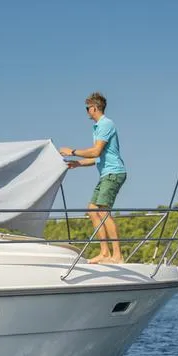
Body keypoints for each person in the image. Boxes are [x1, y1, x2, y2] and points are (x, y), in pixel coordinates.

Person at [59, 92, 127, 264]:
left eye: (87, 108)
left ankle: (117, 255)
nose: (87, 111)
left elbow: (95, 151)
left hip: (114, 173)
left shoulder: (106, 124)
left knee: (103, 211)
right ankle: (105, 253)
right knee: (92, 210)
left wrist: (72, 151)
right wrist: (78, 163)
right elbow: (97, 157)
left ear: (95, 108)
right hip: (106, 174)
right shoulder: (97, 128)